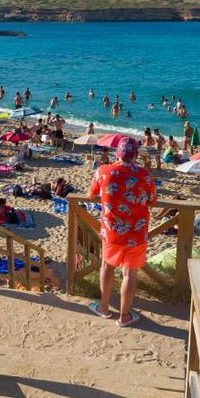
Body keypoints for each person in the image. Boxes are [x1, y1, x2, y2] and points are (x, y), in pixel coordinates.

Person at [87, 137, 156, 327]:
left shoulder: (102, 171)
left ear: (117, 153)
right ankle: (124, 317)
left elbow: (90, 195)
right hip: (137, 233)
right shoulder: (145, 175)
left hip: (112, 232)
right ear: (135, 155)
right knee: (130, 274)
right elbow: (152, 200)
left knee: (107, 266)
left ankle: (103, 307)